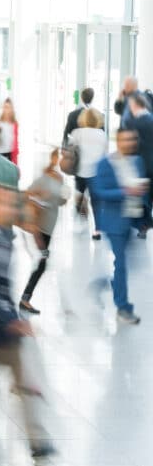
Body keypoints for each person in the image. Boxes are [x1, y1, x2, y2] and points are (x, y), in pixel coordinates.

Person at [0, 183, 55, 459]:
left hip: (4, 331)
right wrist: (11, 319)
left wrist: (13, 319)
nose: (6, 209)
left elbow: (3, 287)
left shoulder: (5, 237)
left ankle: (37, 440)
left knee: (24, 382)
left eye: (9, 203)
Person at [92, 129, 146, 324]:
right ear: (117, 141)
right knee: (121, 264)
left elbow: (139, 191)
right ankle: (123, 307)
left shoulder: (138, 161)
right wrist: (126, 191)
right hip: (113, 222)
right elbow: (100, 192)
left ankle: (108, 283)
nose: (128, 142)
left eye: (131, 138)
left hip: (131, 219)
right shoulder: (105, 164)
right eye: (124, 139)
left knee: (132, 264)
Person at [19, 148, 68, 315]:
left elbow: (60, 202)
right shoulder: (43, 179)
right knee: (42, 262)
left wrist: (64, 198)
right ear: (54, 159)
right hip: (40, 227)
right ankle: (25, 299)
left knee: (42, 262)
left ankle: (25, 299)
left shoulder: (60, 179)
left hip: (50, 226)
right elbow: (26, 195)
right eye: (60, 158)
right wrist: (39, 199)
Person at [70, 108, 108, 240]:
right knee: (97, 203)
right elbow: (104, 154)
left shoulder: (77, 133)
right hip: (95, 173)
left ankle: (79, 219)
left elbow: (71, 148)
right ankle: (97, 231)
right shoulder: (102, 134)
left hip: (80, 171)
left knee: (78, 196)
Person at [123, 93, 153, 237]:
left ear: (135, 105)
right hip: (151, 165)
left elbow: (129, 146)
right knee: (147, 196)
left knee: (136, 196)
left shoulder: (134, 123)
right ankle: (144, 226)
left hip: (138, 164)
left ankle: (139, 225)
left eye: (130, 106)